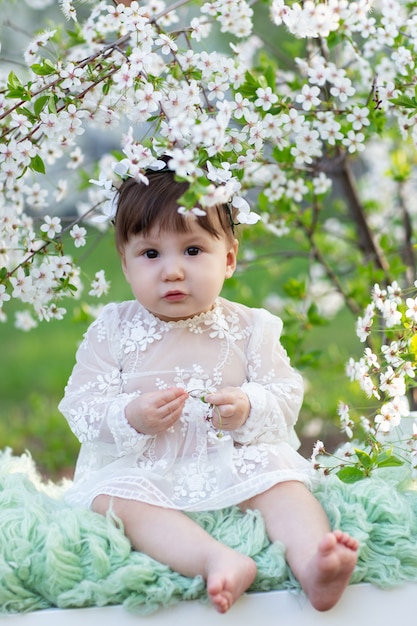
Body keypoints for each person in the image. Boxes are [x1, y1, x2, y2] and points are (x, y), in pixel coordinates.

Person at [59, 163, 358, 614]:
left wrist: (248, 407)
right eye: (151, 254)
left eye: (193, 250)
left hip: (229, 459)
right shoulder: (113, 329)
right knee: (113, 499)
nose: (173, 271)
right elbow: (80, 407)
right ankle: (215, 558)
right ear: (125, 263)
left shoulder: (249, 327)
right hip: (145, 468)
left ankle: (315, 562)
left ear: (230, 259)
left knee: (280, 478)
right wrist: (131, 415)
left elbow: (285, 393)